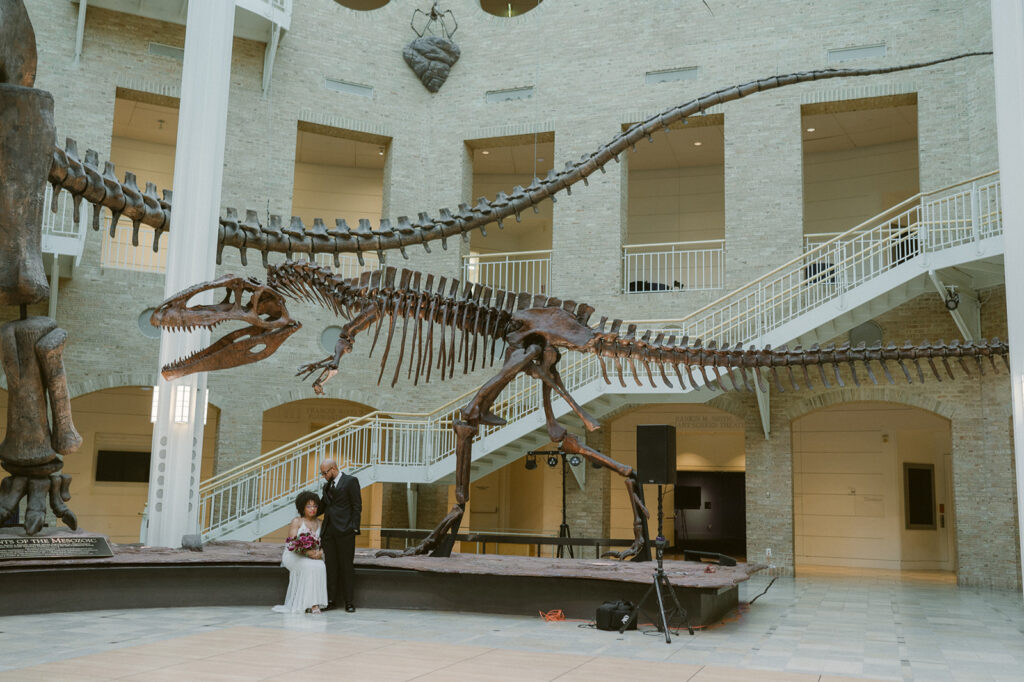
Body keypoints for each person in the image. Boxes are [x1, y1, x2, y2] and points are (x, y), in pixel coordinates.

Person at [271, 491, 328, 614]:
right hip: (294, 555)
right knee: (309, 566)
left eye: (315, 506)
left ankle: (315, 602)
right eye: (309, 506)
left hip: (313, 555)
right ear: (302, 507)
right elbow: (292, 543)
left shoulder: (320, 523)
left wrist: (320, 552)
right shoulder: (297, 521)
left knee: (320, 566)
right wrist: (306, 553)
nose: (312, 509)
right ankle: (311, 605)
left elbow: (324, 543)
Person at [319, 457, 361, 612]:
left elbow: (357, 505)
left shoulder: (350, 481)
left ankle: (349, 602)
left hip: (345, 532)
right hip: (328, 532)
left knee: (346, 566)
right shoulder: (326, 486)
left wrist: (353, 528)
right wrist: (306, 509)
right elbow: (323, 506)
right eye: (322, 473)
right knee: (330, 566)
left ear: (333, 469)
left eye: (324, 473)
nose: (323, 476)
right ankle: (330, 600)